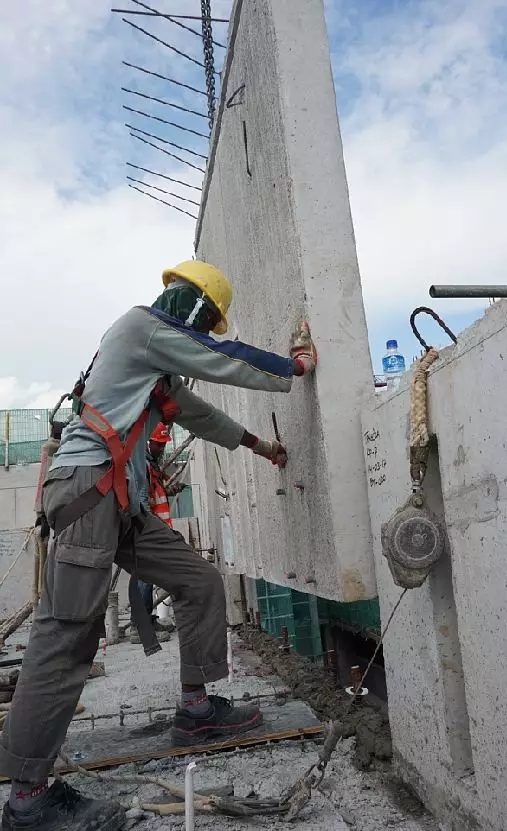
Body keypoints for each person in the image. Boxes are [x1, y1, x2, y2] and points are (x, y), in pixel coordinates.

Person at [0, 260, 317, 831]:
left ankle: (196, 709)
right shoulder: (141, 326)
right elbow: (220, 357)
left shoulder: (156, 377)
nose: (203, 332)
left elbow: (204, 417)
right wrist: (291, 367)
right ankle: (27, 797)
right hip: (89, 491)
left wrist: (262, 447)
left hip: (120, 503)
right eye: (206, 320)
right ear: (191, 306)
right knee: (66, 634)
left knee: (199, 583)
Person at [129, 422, 181, 645]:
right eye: (159, 444)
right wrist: (148, 529)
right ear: (148, 442)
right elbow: (142, 500)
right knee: (144, 577)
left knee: (146, 577)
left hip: (148, 528)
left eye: (163, 444)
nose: (162, 448)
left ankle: (145, 621)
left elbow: (153, 494)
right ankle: (139, 627)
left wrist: (170, 490)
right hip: (145, 529)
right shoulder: (142, 464)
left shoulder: (150, 464)